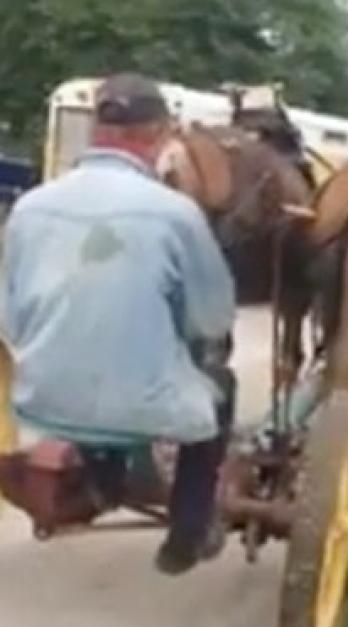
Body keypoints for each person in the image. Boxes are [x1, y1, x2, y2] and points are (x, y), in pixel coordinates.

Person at [0, 73, 236, 575]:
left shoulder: (28, 208)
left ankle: (104, 480)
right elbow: (211, 320)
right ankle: (189, 527)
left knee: (83, 367)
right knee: (220, 385)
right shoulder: (178, 215)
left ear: (95, 130)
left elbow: (11, 318)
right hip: (141, 406)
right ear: (156, 134)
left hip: (37, 401)